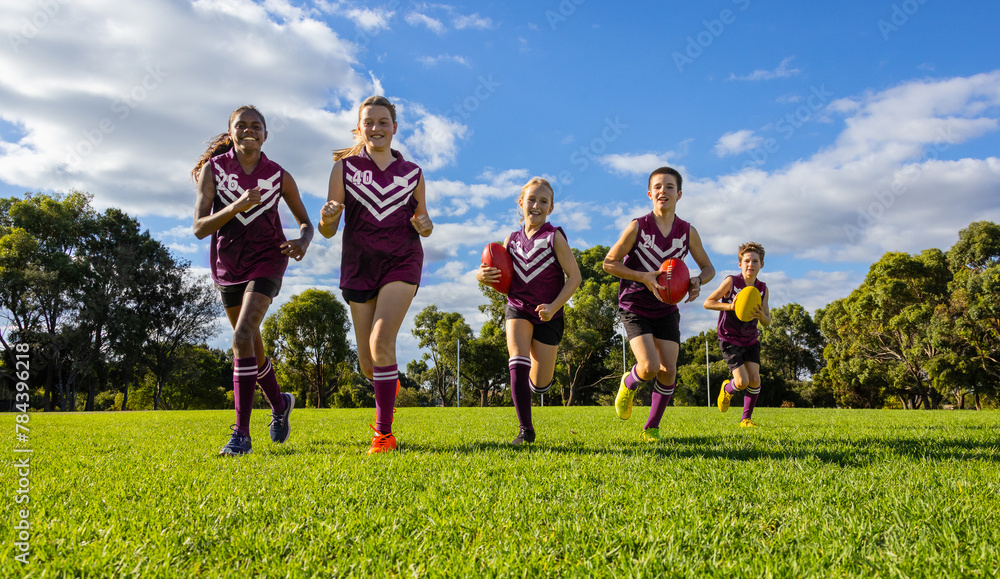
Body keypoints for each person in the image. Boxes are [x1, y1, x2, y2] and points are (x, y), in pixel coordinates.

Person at [192, 105, 314, 455]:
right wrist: (236, 207)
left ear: (265, 134)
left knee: (241, 336)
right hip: (228, 265)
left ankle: (240, 436)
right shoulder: (214, 171)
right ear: (230, 132)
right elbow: (200, 228)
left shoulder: (279, 175)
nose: (249, 130)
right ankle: (280, 404)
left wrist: (302, 241)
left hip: (268, 259)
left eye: (256, 126)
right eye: (241, 126)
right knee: (251, 347)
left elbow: (304, 222)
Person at [318, 95, 433, 454]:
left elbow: (423, 224)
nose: (376, 128)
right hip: (359, 265)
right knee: (368, 361)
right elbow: (327, 231)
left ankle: (383, 436)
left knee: (382, 342)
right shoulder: (344, 169)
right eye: (369, 122)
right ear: (359, 127)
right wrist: (327, 217)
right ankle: (387, 383)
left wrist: (425, 226)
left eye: (383, 122)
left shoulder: (412, 173)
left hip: (402, 260)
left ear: (395, 128)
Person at [603, 166, 715, 441]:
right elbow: (609, 263)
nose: (663, 191)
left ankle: (651, 428)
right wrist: (643, 277)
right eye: (658, 186)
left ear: (679, 194)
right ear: (649, 194)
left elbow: (708, 268)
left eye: (669, 186)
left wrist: (698, 281)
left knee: (669, 371)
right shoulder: (638, 226)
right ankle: (628, 383)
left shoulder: (687, 232)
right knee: (650, 367)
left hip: (666, 308)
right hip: (635, 305)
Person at [476, 178, 582, 445]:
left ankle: (535, 385)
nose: (536, 205)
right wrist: (481, 275)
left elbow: (575, 278)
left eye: (543, 201)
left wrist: (554, 307)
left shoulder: (554, 236)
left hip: (550, 315)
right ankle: (526, 431)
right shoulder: (511, 239)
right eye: (531, 199)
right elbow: (499, 277)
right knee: (517, 363)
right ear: (520, 203)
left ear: (551, 208)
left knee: (540, 383)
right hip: (518, 307)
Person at [703, 242, 771, 427]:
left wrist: (760, 316)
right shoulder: (732, 282)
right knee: (741, 382)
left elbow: (767, 320)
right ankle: (727, 388)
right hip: (730, 338)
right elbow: (708, 302)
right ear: (740, 264)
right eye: (747, 261)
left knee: (755, 379)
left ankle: (746, 419)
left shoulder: (763, 288)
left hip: (750, 339)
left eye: (755, 261)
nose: (751, 264)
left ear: (761, 264)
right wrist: (730, 306)